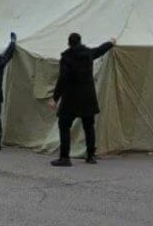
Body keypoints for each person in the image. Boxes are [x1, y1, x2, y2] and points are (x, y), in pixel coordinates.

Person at [49, 33, 116, 167]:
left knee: (64, 126)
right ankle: (90, 156)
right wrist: (111, 43)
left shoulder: (66, 58)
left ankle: (64, 157)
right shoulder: (88, 54)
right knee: (89, 127)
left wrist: (55, 98)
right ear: (80, 41)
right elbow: (100, 50)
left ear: (69, 43)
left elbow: (62, 79)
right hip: (87, 96)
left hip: (70, 97)